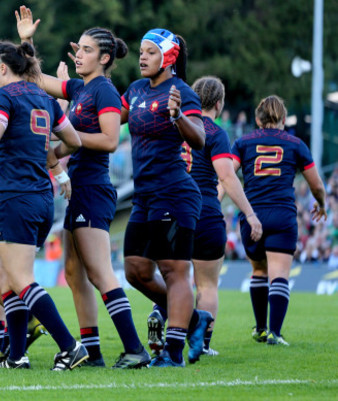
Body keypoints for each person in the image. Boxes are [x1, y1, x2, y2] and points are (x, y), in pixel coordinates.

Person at [16, 5, 151, 369]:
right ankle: (92, 352)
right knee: (75, 272)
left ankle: (136, 349)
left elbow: (109, 140)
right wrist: (27, 41)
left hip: (93, 188)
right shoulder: (79, 88)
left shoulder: (105, 90)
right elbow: (34, 79)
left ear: (105, 58)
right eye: (78, 49)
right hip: (79, 188)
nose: (79, 55)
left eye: (87, 50)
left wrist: (65, 144)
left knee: (100, 272)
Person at [0, 40, 86, 370]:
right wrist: (52, 157)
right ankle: (15, 355)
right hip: (42, 197)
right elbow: (75, 140)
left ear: (2, 68)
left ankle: (70, 347)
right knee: (9, 279)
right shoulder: (44, 97)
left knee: (19, 277)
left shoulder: (3, 96)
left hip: (16, 196)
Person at [119, 28, 213, 367]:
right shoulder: (136, 90)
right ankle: (193, 320)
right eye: (140, 51)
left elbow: (200, 139)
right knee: (135, 271)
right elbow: (110, 118)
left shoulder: (182, 93)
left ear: (168, 57)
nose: (141, 57)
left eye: (149, 52)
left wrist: (178, 116)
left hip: (174, 193)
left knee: (174, 271)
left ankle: (173, 353)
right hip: (144, 196)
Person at [230, 95, 326, 346]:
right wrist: (322, 203)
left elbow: (227, 174)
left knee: (259, 271)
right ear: (284, 119)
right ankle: (275, 332)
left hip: (252, 214)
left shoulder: (242, 142)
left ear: (257, 119)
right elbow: (316, 184)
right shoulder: (295, 144)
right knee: (279, 273)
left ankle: (261, 328)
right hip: (282, 214)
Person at [181, 76, 263, 355]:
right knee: (207, 284)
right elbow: (227, 177)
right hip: (204, 210)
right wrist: (250, 214)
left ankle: (169, 333)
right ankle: (201, 344)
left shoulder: (176, 125)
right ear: (219, 103)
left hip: (172, 208)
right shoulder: (216, 133)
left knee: (174, 278)